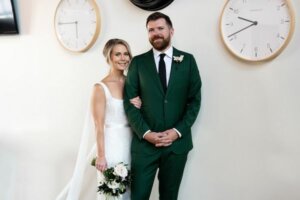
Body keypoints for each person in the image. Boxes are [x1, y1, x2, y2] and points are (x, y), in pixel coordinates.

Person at [124, 12, 202, 200]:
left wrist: (177, 131)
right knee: (138, 196)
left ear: (171, 31)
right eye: (151, 30)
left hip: (176, 146)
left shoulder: (188, 61)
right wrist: (146, 133)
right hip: (144, 146)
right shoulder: (138, 63)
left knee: (169, 197)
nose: (156, 33)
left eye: (160, 28)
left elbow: (194, 102)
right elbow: (130, 103)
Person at [56, 39, 140, 200]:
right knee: (113, 192)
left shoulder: (133, 82)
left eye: (126, 53)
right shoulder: (100, 87)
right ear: (109, 57)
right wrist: (101, 155)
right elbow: (98, 125)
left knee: (129, 191)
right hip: (112, 145)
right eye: (118, 54)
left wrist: (140, 104)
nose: (123, 58)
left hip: (132, 143)